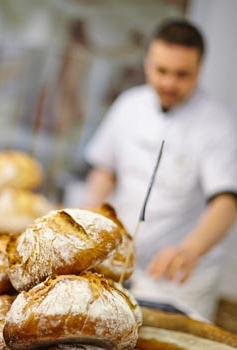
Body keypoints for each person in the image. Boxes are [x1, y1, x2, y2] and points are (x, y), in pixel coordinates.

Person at [83, 18, 237, 321]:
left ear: (199, 71)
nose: (169, 83)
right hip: (120, 266)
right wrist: (89, 217)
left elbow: (226, 202)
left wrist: (189, 250)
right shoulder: (129, 105)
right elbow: (105, 170)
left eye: (182, 75)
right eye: (161, 71)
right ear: (147, 63)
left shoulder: (218, 126)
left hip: (179, 280)